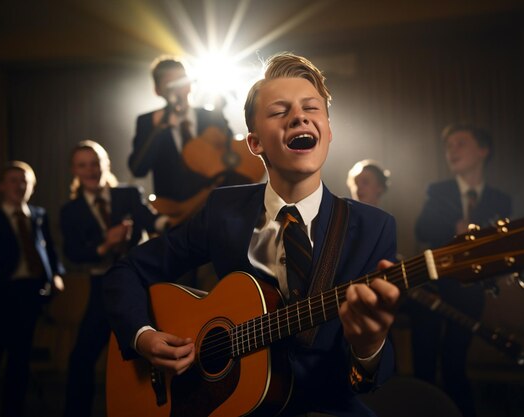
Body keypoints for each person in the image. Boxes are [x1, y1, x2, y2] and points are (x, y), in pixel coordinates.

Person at [103, 52, 402, 417]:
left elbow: (373, 378)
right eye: (280, 111)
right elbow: (127, 271)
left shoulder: (373, 227)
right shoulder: (223, 211)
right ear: (255, 144)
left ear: (328, 131)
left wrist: (368, 345)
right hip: (224, 404)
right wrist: (143, 336)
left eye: (312, 108)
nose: (299, 116)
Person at [410, 123, 512, 417]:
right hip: (431, 288)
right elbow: (422, 229)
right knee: (424, 362)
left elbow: (503, 248)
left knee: (456, 361)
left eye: (460, 144)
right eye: (448, 146)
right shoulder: (438, 190)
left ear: (483, 151)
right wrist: (454, 229)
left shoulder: (500, 200)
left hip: (471, 289)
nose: (451, 151)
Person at [60, 140, 164, 417]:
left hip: (139, 284)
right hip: (102, 287)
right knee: (82, 359)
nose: (91, 170)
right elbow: (72, 254)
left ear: (105, 165)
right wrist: (104, 245)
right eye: (83, 165)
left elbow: (154, 222)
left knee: (140, 356)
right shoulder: (69, 211)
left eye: (95, 163)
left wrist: (179, 217)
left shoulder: (129, 194)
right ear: (74, 170)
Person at [0, 161, 65, 417]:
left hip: (30, 294)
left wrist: (56, 275)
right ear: (1, 186)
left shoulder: (39, 216)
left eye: (25, 181)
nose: (19, 186)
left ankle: (13, 410)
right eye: (13, 180)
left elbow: (50, 250)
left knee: (20, 359)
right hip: (0, 295)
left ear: (32, 186)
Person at [128, 56, 250, 206]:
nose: (178, 87)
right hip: (176, 213)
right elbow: (138, 169)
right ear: (157, 90)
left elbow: (235, 158)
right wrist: (158, 130)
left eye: (181, 79)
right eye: (169, 83)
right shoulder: (149, 121)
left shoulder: (211, 116)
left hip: (217, 207)